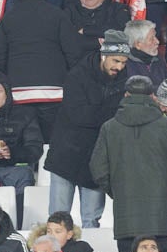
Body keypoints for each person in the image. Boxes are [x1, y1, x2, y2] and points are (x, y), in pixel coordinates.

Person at [92, 75, 167, 252]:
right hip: (164, 219)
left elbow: (98, 169)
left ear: (126, 95)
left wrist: (118, 192)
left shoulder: (109, 128)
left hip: (127, 220)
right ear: (153, 97)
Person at [0, 0, 85, 139]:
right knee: (50, 144)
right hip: (54, 93)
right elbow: (75, 53)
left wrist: (11, 75)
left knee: (26, 144)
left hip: (18, 95)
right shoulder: (58, 15)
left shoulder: (10, 18)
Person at [47, 29, 129, 225]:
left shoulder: (125, 78)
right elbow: (80, 115)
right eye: (115, 61)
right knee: (57, 220)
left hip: (96, 157)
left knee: (91, 220)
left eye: (124, 62)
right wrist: (113, 109)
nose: (119, 66)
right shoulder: (77, 75)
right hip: (66, 154)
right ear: (104, 55)